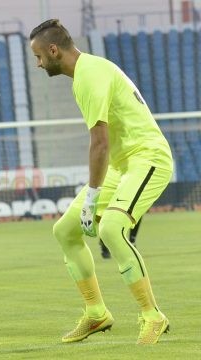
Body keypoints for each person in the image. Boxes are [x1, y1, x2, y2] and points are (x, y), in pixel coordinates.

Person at [29, 19, 173, 345]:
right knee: (64, 230)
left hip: (148, 158)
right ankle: (96, 314)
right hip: (123, 165)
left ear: (54, 50)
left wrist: (92, 196)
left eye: (38, 56)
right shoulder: (86, 72)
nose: (37, 64)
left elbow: (100, 143)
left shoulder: (89, 76)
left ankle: (153, 315)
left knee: (111, 228)